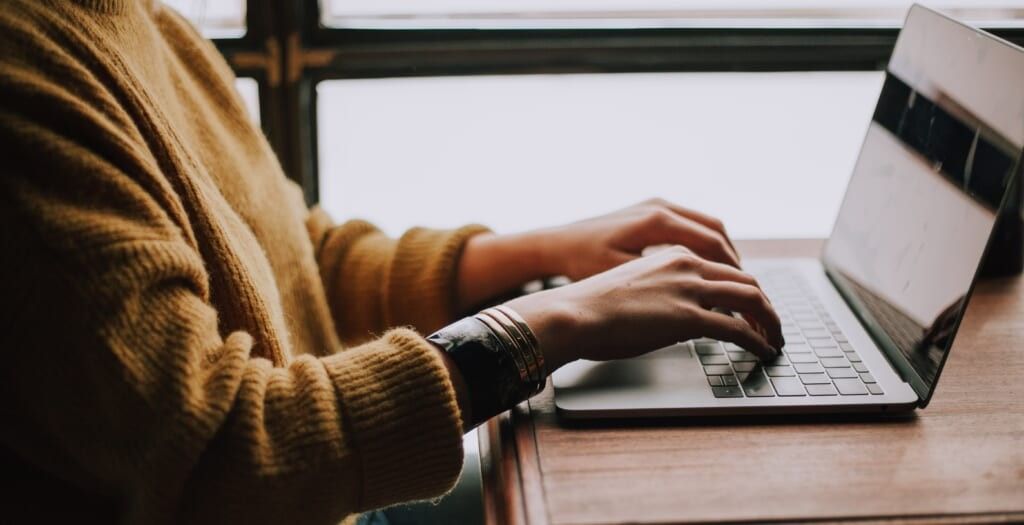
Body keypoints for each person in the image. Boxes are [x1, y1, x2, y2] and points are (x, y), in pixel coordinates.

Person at [0, 1, 783, 524]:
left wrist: (542, 253)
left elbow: (299, 258)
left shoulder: (137, 20)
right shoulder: (24, 78)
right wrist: (544, 324)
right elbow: (220, 455)